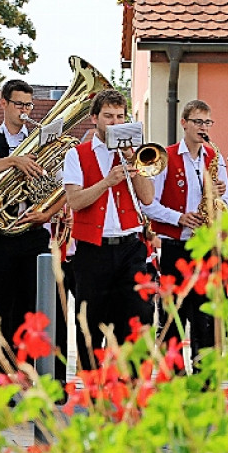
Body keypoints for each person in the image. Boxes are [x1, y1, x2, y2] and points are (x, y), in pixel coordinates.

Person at [0, 79, 62, 377]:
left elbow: (58, 185)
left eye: (28, 105)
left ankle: (44, 378)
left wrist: (46, 213)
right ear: (4, 104)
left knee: (41, 308)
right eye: (19, 104)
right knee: (2, 309)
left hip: (33, 232)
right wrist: (12, 161)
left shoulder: (39, 138)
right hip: (1, 235)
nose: (24, 111)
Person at [64, 89, 154, 368]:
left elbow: (148, 197)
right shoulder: (77, 155)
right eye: (108, 117)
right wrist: (106, 182)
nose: (115, 123)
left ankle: (132, 387)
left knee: (138, 316)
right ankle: (93, 387)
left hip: (130, 246)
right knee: (90, 323)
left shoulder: (134, 153)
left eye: (120, 116)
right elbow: (75, 201)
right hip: (93, 249)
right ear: (94, 119)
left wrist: (133, 162)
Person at [141, 99, 228, 368]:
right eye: (198, 122)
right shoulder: (165, 157)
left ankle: (205, 376)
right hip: (175, 246)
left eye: (207, 122)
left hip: (206, 246)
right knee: (174, 315)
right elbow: (149, 204)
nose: (203, 128)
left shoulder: (215, 157)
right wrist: (179, 218)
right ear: (184, 123)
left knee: (206, 316)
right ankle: (175, 375)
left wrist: (219, 197)